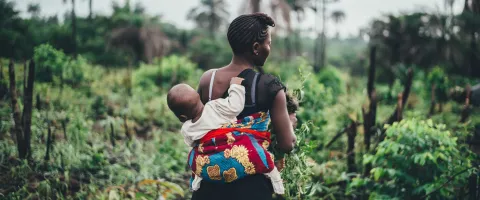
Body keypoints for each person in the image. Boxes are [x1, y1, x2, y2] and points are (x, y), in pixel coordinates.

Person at [192, 13, 296, 200]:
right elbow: (287, 144)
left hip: (209, 182)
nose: (269, 48)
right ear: (256, 47)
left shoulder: (208, 79)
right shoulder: (269, 86)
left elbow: (199, 125)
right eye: (268, 43)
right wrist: (290, 122)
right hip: (252, 188)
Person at [166, 78, 285, 194]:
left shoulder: (187, 128)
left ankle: (197, 181)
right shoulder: (214, 106)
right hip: (234, 147)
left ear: (182, 117)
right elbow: (235, 106)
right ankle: (276, 181)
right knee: (256, 152)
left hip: (211, 160)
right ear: (198, 96)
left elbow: (192, 144)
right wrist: (235, 86)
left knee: (194, 156)